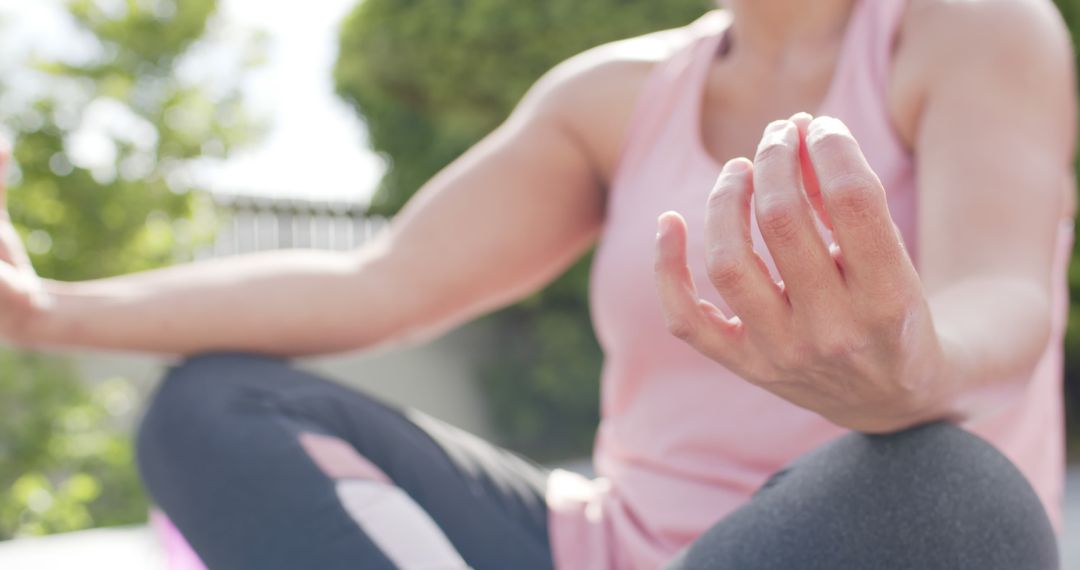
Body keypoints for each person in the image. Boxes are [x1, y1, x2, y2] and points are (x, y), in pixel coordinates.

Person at [0, 0, 1073, 568]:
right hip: (595, 548)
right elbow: (382, 282)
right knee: (212, 408)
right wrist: (40, 312)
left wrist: (912, 373)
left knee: (948, 493)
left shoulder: (975, 30)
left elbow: (1007, 297)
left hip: (846, 551)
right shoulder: (610, 95)